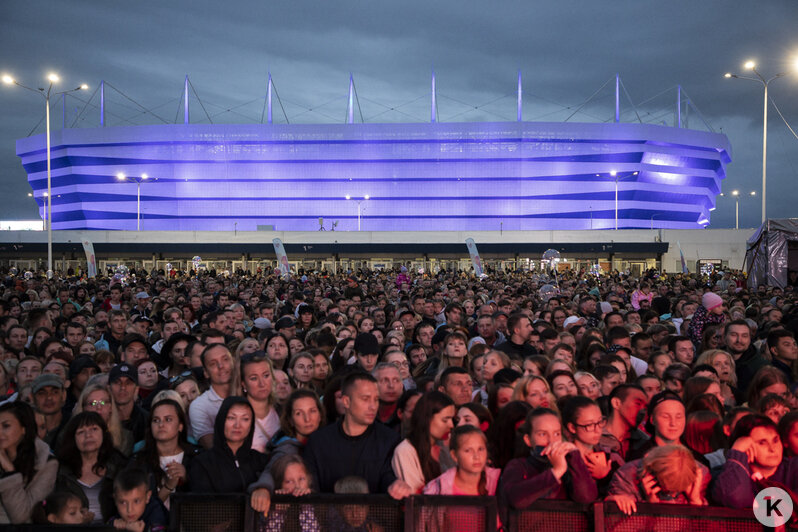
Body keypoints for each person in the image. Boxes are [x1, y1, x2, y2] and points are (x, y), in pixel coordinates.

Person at [304, 372, 411, 498]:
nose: (373, 406)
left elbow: (388, 478)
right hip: (327, 516)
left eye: (376, 399)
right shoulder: (319, 442)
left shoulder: (390, 440)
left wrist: (397, 485)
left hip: (377, 516)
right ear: (346, 401)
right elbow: (310, 488)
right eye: (365, 399)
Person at [497, 407, 598, 523]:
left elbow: (587, 498)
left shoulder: (571, 465)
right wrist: (556, 472)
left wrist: (575, 456)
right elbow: (516, 499)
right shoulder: (518, 465)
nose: (551, 441)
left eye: (556, 434)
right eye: (542, 434)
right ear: (528, 440)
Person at [189, 396, 271, 514]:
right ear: (222, 420)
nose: (237, 425)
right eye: (231, 418)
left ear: (251, 424)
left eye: (245, 419)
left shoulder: (261, 461)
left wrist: (264, 488)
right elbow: (202, 512)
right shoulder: (202, 463)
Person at [712, 414, 798, 508]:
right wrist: (737, 453)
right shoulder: (725, 473)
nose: (772, 449)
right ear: (746, 446)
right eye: (762, 443)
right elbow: (735, 498)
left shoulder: (794, 468)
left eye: (775, 441)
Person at [56, 411, 128, 523]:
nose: (88, 435)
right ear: (73, 439)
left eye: (94, 429)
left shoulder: (119, 465)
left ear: (104, 434)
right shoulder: (60, 470)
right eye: (81, 432)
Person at [128, 399, 201, 509]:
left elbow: (206, 500)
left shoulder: (197, 457)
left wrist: (188, 477)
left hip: (189, 523)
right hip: (152, 525)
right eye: (156, 420)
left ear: (180, 426)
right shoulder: (138, 461)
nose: (161, 424)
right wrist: (168, 487)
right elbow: (136, 509)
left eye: (168, 419)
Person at [0, 401, 59, 524]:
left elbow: (21, 517)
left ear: (23, 429)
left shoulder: (46, 463)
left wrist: (10, 472)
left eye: (6, 426)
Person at [607, 444, 708, 515]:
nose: (672, 496)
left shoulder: (699, 476)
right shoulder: (626, 477)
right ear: (652, 474)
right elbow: (620, 527)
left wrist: (696, 502)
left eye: (676, 491)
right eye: (667, 491)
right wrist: (649, 507)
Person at [391, 391, 456, 493]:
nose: (451, 425)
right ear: (427, 419)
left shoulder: (448, 444)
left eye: (452, 419)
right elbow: (415, 494)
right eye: (445, 420)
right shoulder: (405, 451)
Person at [189, 344, 234, 448]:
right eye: (213, 364)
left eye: (225, 359)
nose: (221, 366)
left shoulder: (249, 391)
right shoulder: (200, 406)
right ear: (206, 373)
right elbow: (211, 447)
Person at [241, 352, 280, 453]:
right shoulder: (236, 418)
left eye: (266, 375)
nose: (262, 383)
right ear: (243, 384)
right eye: (254, 378)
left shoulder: (282, 411)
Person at [109, 467, 167, 531]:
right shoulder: (118, 512)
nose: (129, 510)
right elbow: (109, 521)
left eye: (136, 501)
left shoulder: (156, 515)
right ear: (115, 500)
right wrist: (113, 523)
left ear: (148, 497)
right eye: (123, 502)